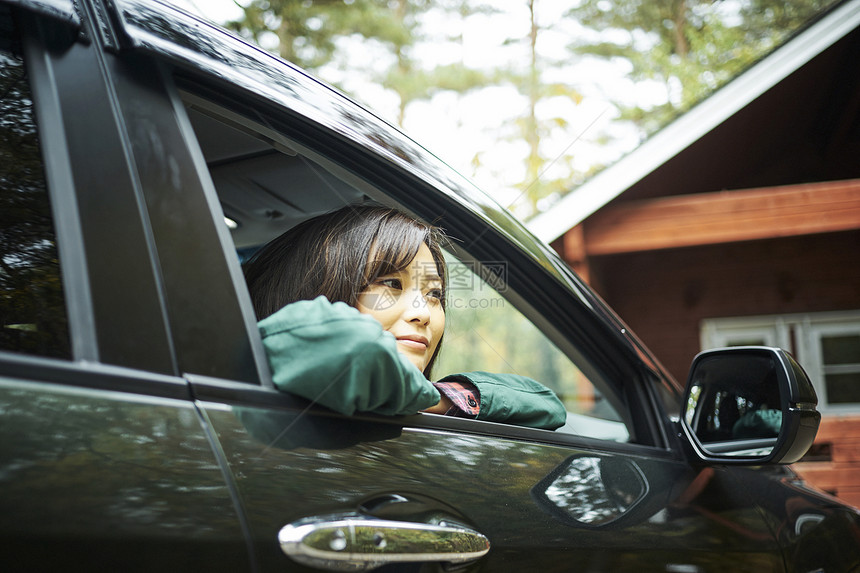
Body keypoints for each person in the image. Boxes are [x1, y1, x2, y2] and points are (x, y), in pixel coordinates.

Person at [242, 204, 567, 430]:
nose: (423, 313)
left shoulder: (413, 408)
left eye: (434, 295)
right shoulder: (265, 356)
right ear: (315, 290)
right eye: (391, 284)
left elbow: (547, 405)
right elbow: (352, 347)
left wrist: (435, 401)